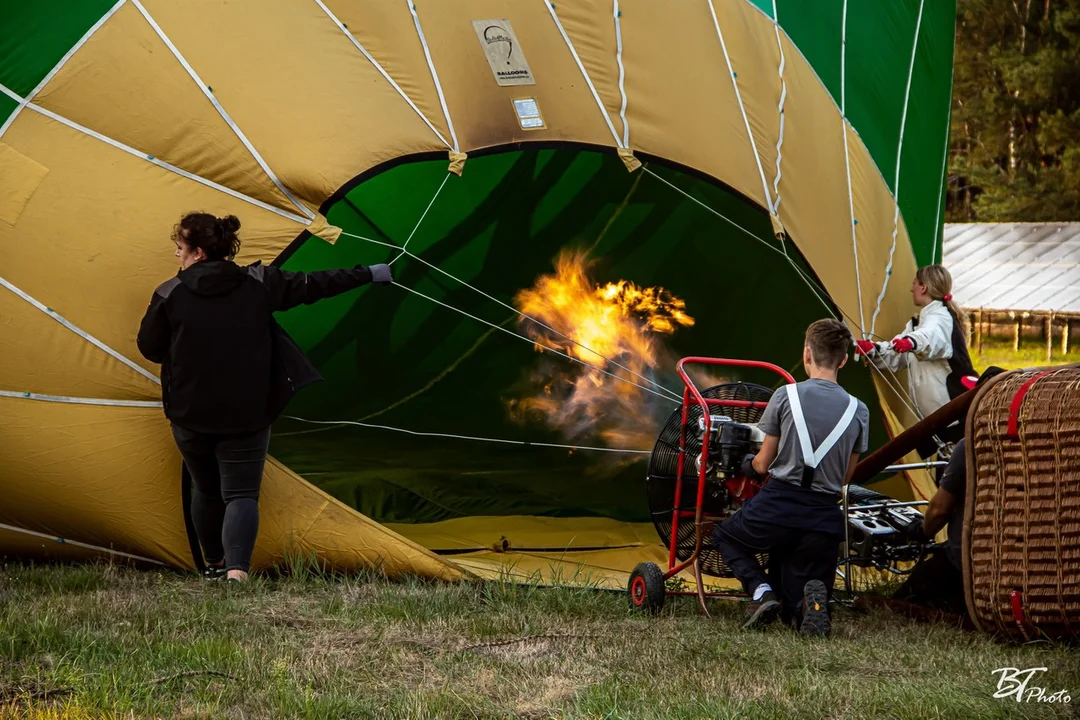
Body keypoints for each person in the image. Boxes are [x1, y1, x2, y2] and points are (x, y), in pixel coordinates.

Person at [136, 212, 392, 583]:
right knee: (240, 493)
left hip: (190, 414)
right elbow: (314, 285)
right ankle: (237, 572)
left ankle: (212, 565)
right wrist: (369, 272)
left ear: (199, 252)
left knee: (206, 489)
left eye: (180, 249)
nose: (177, 256)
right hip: (248, 412)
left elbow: (149, 346)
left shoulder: (169, 293)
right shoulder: (259, 282)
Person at [713, 319, 870, 636]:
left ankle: (761, 592)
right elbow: (846, 478)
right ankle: (809, 605)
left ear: (807, 353)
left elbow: (762, 464)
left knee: (725, 537)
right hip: (825, 517)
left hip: (779, 506)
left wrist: (746, 462)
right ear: (842, 359)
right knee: (797, 594)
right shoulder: (860, 410)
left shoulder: (786, 396)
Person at [855, 264, 978, 421]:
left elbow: (930, 337)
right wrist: (874, 350)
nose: (911, 289)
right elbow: (897, 354)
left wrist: (912, 342)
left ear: (923, 287)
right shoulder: (917, 323)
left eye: (914, 284)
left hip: (953, 414)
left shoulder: (941, 318)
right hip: (936, 417)